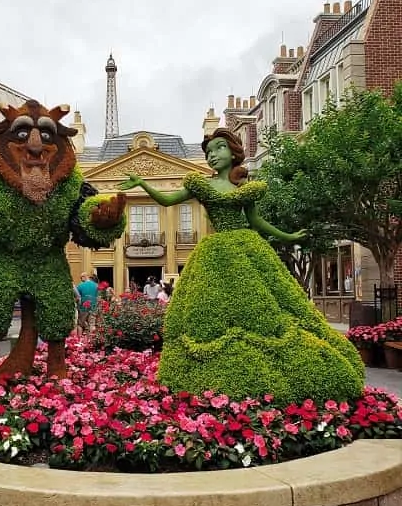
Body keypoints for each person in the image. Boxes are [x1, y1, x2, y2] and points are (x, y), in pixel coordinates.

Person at [118, 128, 364, 403]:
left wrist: (287, 235)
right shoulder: (200, 185)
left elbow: (256, 222)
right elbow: (167, 200)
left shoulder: (244, 189)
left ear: (233, 152)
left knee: (266, 301)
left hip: (249, 247)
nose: (212, 156)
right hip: (217, 250)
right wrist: (142, 182)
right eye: (209, 152)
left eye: (219, 149)